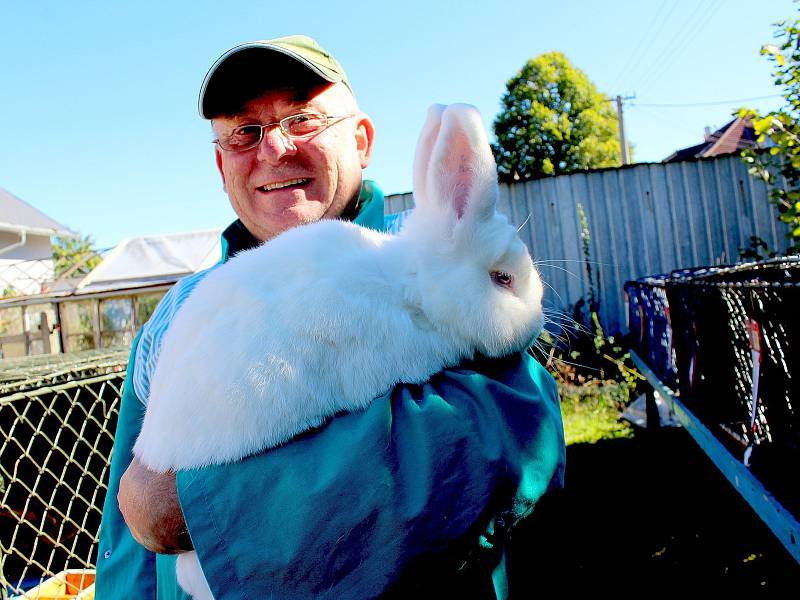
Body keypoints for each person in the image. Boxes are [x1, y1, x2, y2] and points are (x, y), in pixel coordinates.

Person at [96, 35, 565, 599]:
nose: (274, 151)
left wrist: (201, 500)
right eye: (246, 132)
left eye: (302, 118)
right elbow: (130, 534)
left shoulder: (439, 268)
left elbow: (496, 444)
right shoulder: (173, 319)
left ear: (361, 140)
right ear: (223, 165)